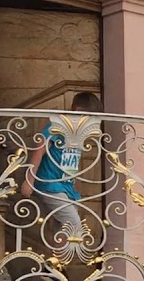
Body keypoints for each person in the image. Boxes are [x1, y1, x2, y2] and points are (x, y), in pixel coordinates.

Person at [20, 91, 103, 243]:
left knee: (62, 233)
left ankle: (57, 258)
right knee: (74, 226)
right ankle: (64, 257)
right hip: (50, 184)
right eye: (84, 115)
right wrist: (29, 180)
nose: (86, 120)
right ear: (75, 109)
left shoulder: (78, 133)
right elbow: (40, 149)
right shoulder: (59, 125)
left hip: (66, 189)